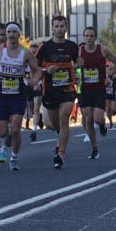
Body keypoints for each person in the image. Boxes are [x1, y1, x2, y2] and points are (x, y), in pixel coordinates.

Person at [0, 22, 40, 171]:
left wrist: (34, 80)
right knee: (2, 132)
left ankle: (14, 157)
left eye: (14, 32)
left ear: (19, 35)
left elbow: (37, 70)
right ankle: (7, 138)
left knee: (16, 128)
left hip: (18, 94)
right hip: (1, 95)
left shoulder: (26, 52)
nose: (11, 35)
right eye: (8, 32)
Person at [34, 16, 82, 169]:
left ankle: (61, 154)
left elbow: (78, 62)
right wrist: (45, 70)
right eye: (57, 26)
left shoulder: (72, 46)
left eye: (62, 26)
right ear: (52, 28)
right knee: (54, 124)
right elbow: (34, 65)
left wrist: (79, 65)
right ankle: (58, 137)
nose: (60, 29)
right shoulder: (45, 47)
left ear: (66, 28)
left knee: (64, 118)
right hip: (50, 90)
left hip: (67, 89)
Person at [77, 27, 116, 158]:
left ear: (95, 37)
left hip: (99, 89)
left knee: (98, 118)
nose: (89, 38)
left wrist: (109, 76)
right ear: (83, 37)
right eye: (86, 36)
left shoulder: (103, 49)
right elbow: (71, 65)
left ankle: (102, 126)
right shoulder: (79, 51)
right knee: (88, 119)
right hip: (85, 90)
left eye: (91, 36)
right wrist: (75, 70)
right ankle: (94, 148)